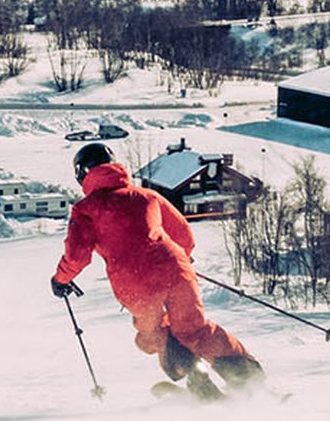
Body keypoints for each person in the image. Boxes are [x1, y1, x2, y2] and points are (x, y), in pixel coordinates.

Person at [50, 141, 262, 399]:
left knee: (155, 334)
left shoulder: (86, 209)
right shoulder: (147, 195)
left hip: (136, 283)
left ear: (82, 173)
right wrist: (180, 262)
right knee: (194, 329)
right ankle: (250, 381)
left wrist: (60, 280)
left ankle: (202, 388)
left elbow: (77, 255)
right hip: (176, 270)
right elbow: (183, 234)